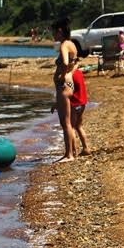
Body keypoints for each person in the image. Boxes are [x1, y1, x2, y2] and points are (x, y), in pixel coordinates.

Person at [51, 18, 79, 162]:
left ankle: (69, 155)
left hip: (64, 85)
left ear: (60, 31)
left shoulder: (63, 45)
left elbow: (66, 63)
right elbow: (75, 64)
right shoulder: (72, 44)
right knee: (68, 123)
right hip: (69, 84)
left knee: (65, 123)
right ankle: (71, 151)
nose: (52, 36)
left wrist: (61, 77)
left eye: (53, 32)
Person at [69, 66, 91, 156]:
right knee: (79, 126)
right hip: (82, 102)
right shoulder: (79, 72)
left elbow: (68, 89)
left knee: (71, 127)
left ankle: (73, 151)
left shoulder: (70, 75)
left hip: (74, 103)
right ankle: (86, 148)